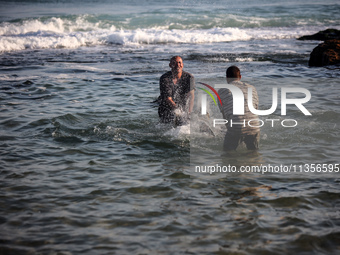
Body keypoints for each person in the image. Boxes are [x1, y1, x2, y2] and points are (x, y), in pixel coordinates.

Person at [218, 66, 260, 151]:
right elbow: (255, 109)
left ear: (226, 78)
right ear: (240, 77)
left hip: (235, 127)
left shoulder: (222, 91)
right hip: (254, 126)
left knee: (227, 154)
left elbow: (225, 116)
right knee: (254, 154)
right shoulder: (252, 88)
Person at [158, 56, 195, 124]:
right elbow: (168, 99)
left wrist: (188, 113)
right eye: (174, 63)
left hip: (181, 104)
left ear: (182, 65)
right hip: (166, 106)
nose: (178, 65)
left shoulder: (189, 78)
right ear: (170, 65)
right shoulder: (164, 78)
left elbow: (191, 97)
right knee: (172, 118)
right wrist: (178, 110)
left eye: (179, 62)